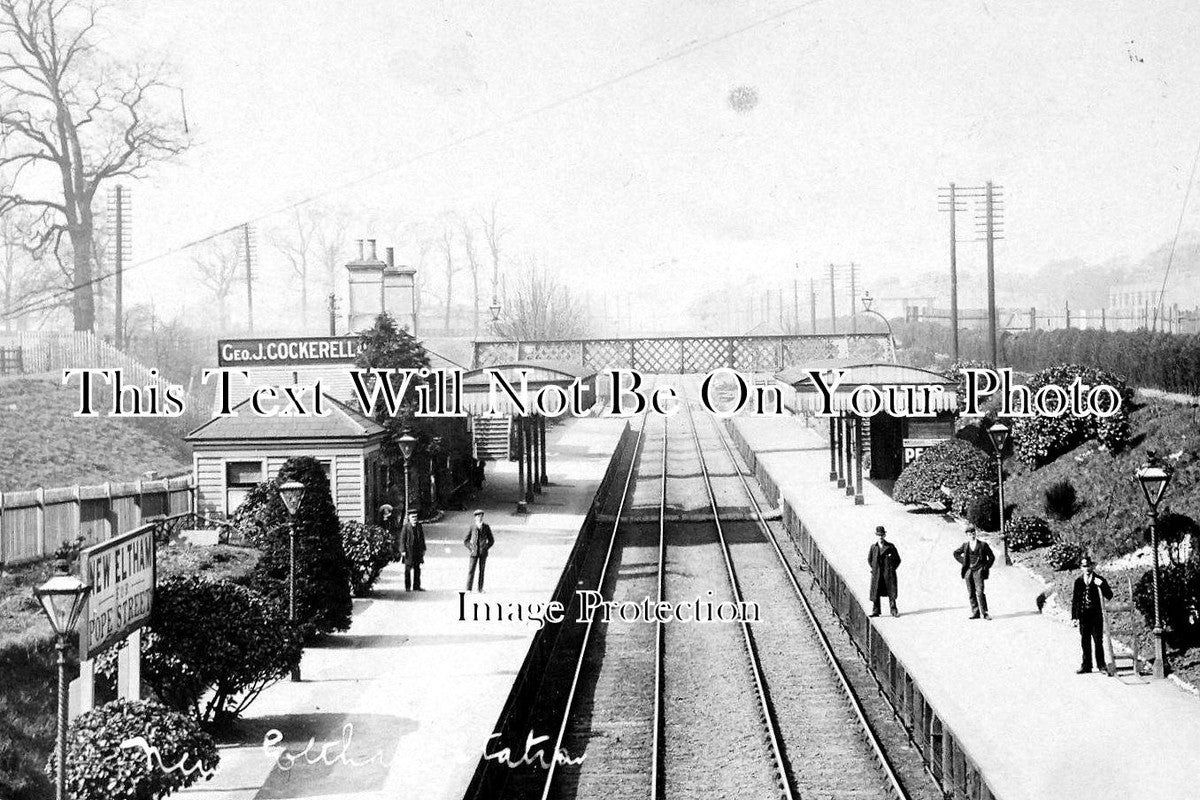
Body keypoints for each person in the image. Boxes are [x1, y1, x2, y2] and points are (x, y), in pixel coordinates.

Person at [1071, 555, 1113, 674]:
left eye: (1089, 565)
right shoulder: (1078, 581)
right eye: (1084, 566)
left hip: (1096, 616)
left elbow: (1109, 595)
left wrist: (1102, 585)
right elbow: (1075, 600)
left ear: (1092, 566)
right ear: (1081, 568)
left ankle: (1101, 665)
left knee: (1098, 641)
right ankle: (1086, 665)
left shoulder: (1099, 579)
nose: (1087, 568)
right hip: (1084, 616)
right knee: (1085, 641)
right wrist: (1074, 616)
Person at [953, 526, 995, 620]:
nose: (971, 535)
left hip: (979, 570)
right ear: (967, 535)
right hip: (968, 571)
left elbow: (991, 557)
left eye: (973, 533)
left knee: (980, 592)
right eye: (969, 534)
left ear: (975, 534)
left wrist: (985, 567)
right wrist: (964, 562)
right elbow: (956, 553)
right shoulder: (965, 545)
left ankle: (985, 613)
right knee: (971, 592)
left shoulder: (983, 545)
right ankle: (975, 612)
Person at [867, 525, 902, 617]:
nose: (881, 537)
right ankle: (876, 611)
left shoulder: (890, 547)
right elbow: (870, 560)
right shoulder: (873, 547)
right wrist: (875, 569)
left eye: (882, 535)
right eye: (879, 535)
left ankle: (893, 610)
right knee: (876, 592)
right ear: (876, 536)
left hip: (888, 574)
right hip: (877, 574)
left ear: (884, 536)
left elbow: (897, 560)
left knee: (891, 592)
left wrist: (891, 569)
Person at [464, 509, 494, 593]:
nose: (479, 518)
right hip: (473, 553)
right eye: (477, 516)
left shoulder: (486, 527)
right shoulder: (472, 527)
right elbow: (466, 540)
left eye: (480, 516)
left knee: (482, 570)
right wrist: (471, 547)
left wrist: (486, 547)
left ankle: (480, 588)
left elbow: (491, 540)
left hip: (483, 553)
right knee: (471, 570)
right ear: (475, 518)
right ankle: (468, 588)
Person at [401, 509, 426, 592]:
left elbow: (422, 539)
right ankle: (407, 587)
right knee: (407, 570)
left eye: (415, 517)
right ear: (409, 518)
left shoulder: (419, 526)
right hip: (409, 551)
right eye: (412, 517)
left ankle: (416, 586)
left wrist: (423, 549)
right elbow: (402, 540)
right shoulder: (406, 527)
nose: (414, 518)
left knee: (417, 569)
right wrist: (403, 550)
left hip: (417, 551)